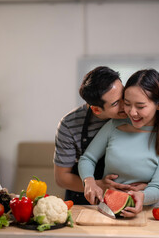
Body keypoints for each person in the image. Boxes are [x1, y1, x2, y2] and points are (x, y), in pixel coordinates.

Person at [78, 69, 159, 217]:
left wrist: (142, 196)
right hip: (106, 211)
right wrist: (89, 181)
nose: (132, 112)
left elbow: (158, 188)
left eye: (140, 106)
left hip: (146, 215)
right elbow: (87, 158)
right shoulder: (114, 125)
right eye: (127, 104)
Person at [54, 66, 133, 205]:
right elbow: (62, 178)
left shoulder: (134, 114)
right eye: (116, 103)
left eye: (123, 95)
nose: (125, 105)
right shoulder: (69, 125)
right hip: (84, 202)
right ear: (96, 109)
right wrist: (97, 185)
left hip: (128, 198)